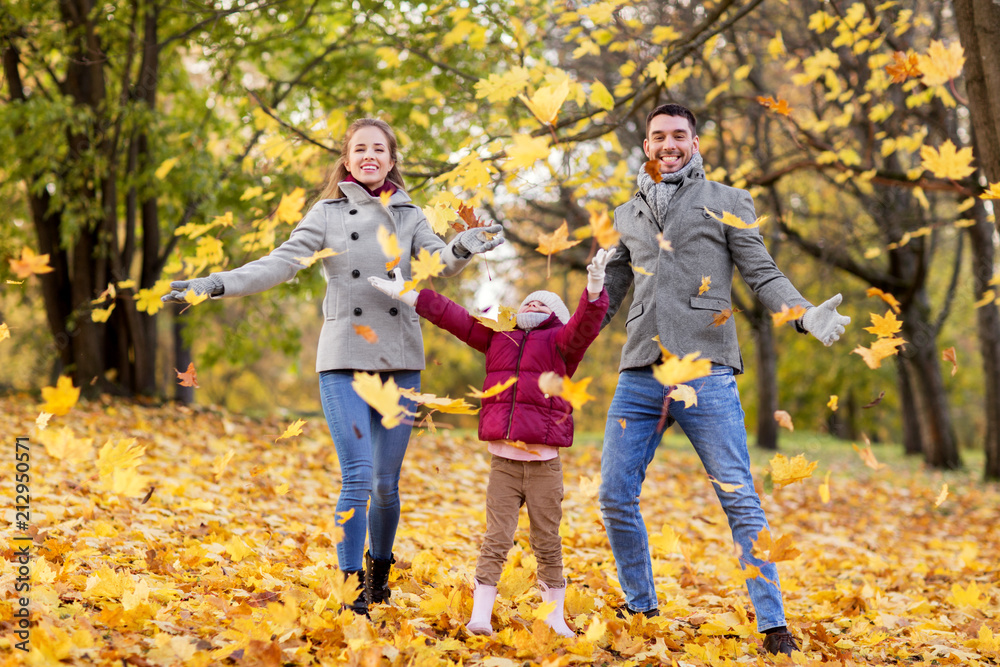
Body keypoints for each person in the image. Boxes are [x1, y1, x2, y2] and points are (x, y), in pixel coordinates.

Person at [162, 118, 504, 616]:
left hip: (400, 361)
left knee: (387, 484)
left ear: (391, 160)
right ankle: (351, 591)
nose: (369, 156)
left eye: (379, 150)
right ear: (347, 160)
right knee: (359, 476)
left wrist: (462, 246)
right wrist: (214, 284)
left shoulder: (409, 214)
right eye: (359, 149)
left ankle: (379, 572)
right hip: (344, 360)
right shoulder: (325, 214)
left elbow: (439, 264)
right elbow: (277, 264)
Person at [598, 103, 850, 657]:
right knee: (614, 495)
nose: (669, 143)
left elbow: (762, 271)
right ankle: (640, 604)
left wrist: (803, 314)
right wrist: (574, 317)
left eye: (678, 135)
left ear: (693, 142)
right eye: (658, 136)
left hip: (706, 366)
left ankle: (772, 623)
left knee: (738, 497)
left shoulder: (728, 201)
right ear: (646, 146)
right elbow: (612, 292)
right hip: (640, 368)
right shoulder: (625, 214)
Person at [370, 248, 615, 637]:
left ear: (556, 316)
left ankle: (554, 615)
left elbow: (585, 325)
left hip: (543, 466)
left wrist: (595, 287)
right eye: (529, 299)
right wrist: (413, 296)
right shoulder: (500, 336)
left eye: (544, 302)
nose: (533, 302)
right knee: (495, 538)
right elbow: (457, 319)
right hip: (503, 464)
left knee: (547, 541)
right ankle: (480, 615)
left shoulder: (562, 344)